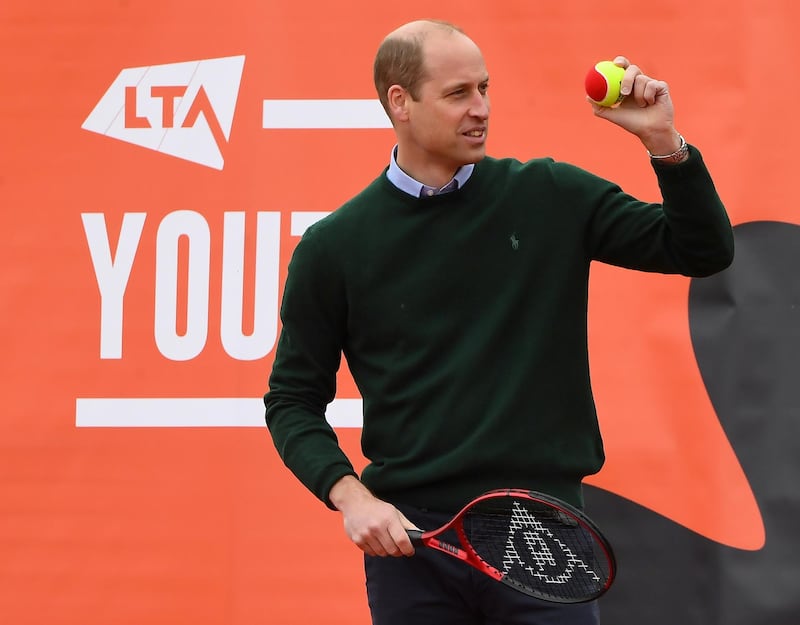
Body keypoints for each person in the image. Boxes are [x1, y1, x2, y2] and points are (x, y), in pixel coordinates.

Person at [264, 18, 733, 625]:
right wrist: (351, 496)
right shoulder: (334, 247)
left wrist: (664, 141)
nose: (480, 108)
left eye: (484, 88)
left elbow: (701, 250)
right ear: (399, 103)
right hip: (412, 544)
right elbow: (291, 400)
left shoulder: (549, 194)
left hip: (543, 532)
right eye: (459, 93)